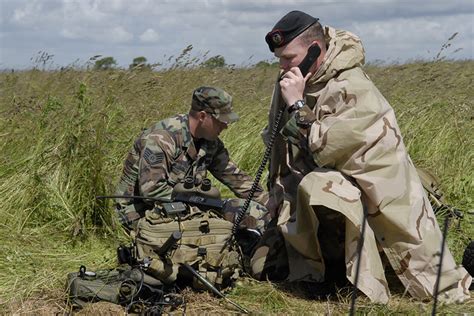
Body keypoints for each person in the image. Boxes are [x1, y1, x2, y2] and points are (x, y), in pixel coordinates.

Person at [251, 10, 471, 303]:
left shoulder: (353, 87)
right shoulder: (296, 82)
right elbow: (281, 151)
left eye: (289, 57)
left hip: (378, 202)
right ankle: (323, 264)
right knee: (261, 266)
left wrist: (297, 105)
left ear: (316, 49)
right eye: (279, 58)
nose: (283, 66)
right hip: (326, 200)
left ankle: (334, 276)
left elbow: (324, 149)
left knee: (319, 186)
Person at [115, 86, 268, 231]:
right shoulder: (162, 138)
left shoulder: (211, 142)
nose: (225, 126)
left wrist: (270, 201)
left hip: (187, 206)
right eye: (222, 121)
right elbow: (152, 192)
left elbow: (236, 178)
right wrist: (201, 206)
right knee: (210, 230)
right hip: (143, 212)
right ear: (202, 116)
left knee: (256, 211)